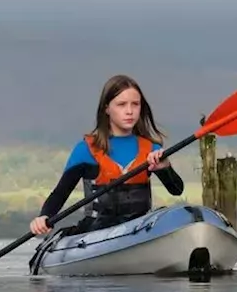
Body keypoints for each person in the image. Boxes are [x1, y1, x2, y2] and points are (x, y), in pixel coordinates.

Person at [30, 74, 185, 236]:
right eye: (121, 105)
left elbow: (176, 190)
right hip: (97, 232)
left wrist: (165, 167)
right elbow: (60, 193)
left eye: (135, 104)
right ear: (107, 108)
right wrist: (44, 216)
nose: (129, 111)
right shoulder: (85, 150)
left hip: (139, 230)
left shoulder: (152, 149)